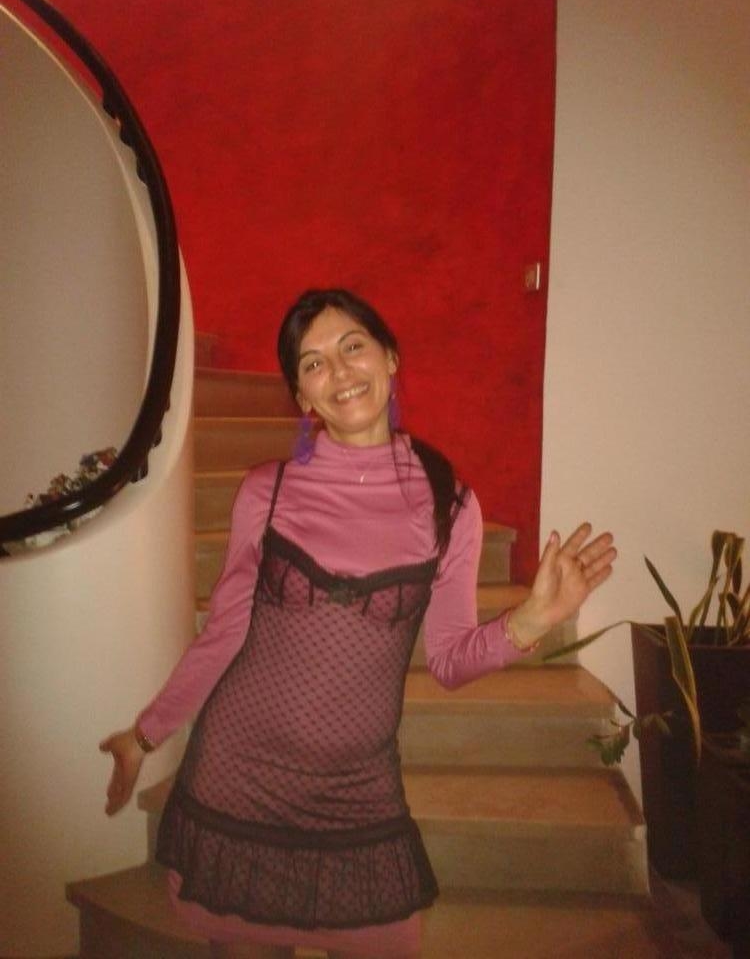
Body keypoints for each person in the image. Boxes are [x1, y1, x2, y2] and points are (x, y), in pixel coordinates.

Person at [101, 288, 617, 959]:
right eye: (314, 363)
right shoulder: (267, 491)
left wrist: (532, 619)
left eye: (353, 347)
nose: (340, 372)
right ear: (302, 397)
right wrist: (144, 735)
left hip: (358, 796)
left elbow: (450, 661)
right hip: (239, 780)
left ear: (390, 357)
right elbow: (223, 636)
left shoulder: (450, 504)